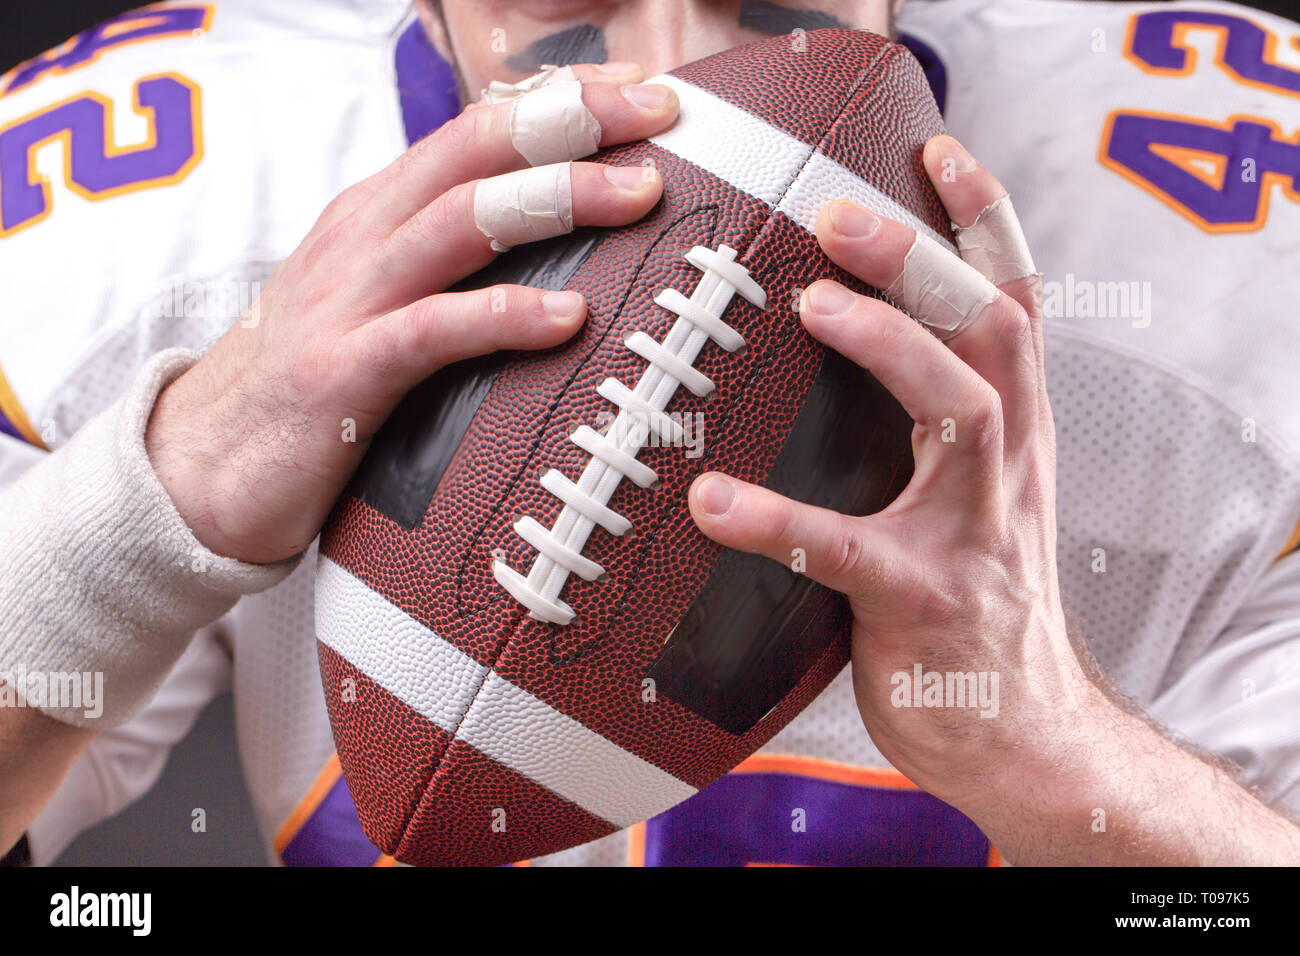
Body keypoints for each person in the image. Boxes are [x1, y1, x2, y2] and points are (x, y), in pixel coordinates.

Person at [1, 0, 1298, 866]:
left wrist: (1057, 746)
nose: (674, 67)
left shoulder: (1230, 256)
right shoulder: (158, 215)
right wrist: (154, 506)